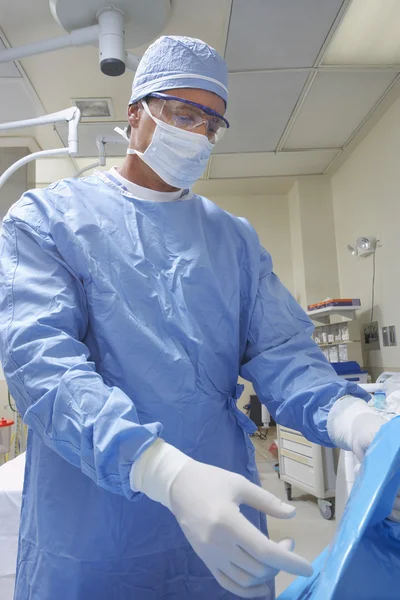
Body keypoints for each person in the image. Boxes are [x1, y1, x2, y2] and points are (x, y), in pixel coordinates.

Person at [0, 35, 397, 600]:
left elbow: (284, 355)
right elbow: (43, 368)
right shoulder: (47, 220)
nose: (198, 133)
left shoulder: (233, 240)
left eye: (212, 123)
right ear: (135, 115)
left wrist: (354, 422)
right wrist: (166, 472)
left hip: (221, 523)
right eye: (183, 112)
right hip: (94, 527)